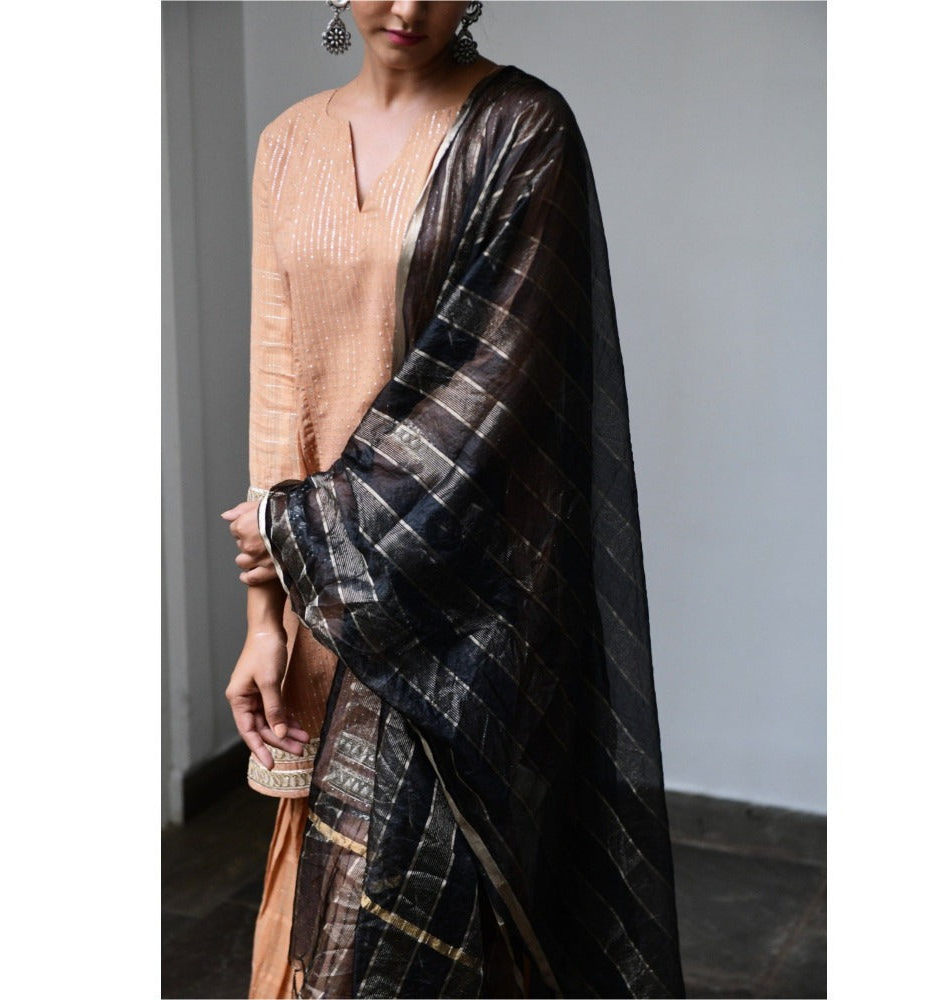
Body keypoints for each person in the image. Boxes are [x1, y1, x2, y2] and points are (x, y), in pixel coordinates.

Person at [222, 3, 685, 997]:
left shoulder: (522, 131)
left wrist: (301, 525)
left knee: (450, 914)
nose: (408, 8)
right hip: (323, 592)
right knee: (317, 918)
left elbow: (499, 395)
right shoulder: (287, 144)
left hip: (468, 604)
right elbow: (278, 387)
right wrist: (264, 619)